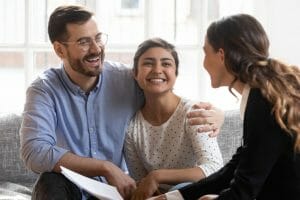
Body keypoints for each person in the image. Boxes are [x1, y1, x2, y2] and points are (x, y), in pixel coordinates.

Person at [20, 5, 223, 200]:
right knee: (49, 181)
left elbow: (164, 96)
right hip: (71, 189)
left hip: (117, 193)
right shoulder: (44, 90)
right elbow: (35, 151)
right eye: (83, 42)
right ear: (59, 50)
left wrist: (217, 113)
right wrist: (105, 167)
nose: (96, 49)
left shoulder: (127, 79)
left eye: (98, 38)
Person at [151, 14, 300, 200]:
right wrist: (172, 197)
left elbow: (243, 191)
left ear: (221, 56)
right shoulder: (261, 93)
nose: (204, 62)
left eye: (206, 53)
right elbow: (235, 169)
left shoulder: (263, 102)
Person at [124, 38, 223, 200]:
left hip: (195, 193)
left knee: (181, 188)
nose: (157, 70)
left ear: (175, 73)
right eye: (148, 63)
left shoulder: (193, 113)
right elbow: (141, 182)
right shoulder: (132, 128)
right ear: (135, 73)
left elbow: (214, 167)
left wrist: (157, 176)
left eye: (166, 64)